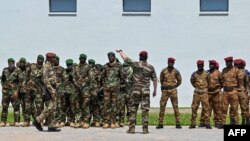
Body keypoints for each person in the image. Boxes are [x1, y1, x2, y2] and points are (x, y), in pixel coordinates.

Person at [116, 49, 157, 134]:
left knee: (133, 109)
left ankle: (131, 129)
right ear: (147, 57)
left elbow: (125, 59)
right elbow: (155, 79)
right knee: (145, 110)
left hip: (136, 91)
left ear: (140, 57)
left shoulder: (135, 65)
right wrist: (155, 90)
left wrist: (120, 51)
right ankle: (145, 129)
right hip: (146, 91)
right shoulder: (151, 67)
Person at [33, 52, 61, 132]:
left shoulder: (50, 65)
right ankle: (38, 120)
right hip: (48, 90)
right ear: (49, 58)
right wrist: (51, 90)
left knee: (54, 107)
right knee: (51, 107)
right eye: (53, 58)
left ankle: (51, 125)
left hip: (52, 88)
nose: (55, 59)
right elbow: (45, 80)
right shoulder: (46, 66)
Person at [156, 57, 182, 129]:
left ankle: (178, 123)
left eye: (172, 62)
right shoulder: (163, 71)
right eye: (169, 62)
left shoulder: (176, 71)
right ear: (167, 62)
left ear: (173, 63)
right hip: (165, 91)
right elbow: (161, 80)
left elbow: (179, 81)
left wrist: (174, 86)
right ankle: (160, 123)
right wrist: (164, 86)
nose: (170, 63)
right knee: (162, 106)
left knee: (175, 106)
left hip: (173, 90)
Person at [0, 58, 24, 127]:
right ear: (8, 63)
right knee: (4, 107)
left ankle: (16, 121)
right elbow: (2, 79)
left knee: (16, 107)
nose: (11, 65)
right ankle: (3, 121)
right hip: (6, 92)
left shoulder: (18, 70)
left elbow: (21, 81)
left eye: (12, 63)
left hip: (14, 92)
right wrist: (3, 86)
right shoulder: (5, 70)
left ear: (14, 63)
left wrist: (17, 90)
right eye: (10, 63)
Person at [102, 52, 122, 129]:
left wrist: (118, 85)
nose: (110, 58)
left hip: (115, 89)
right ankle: (106, 122)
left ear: (114, 57)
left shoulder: (119, 66)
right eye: (108, 56)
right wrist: (104, 85)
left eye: (111, 56)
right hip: (107, 89)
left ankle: (113, 122)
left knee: (114, 105)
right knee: (106, 105)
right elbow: (102, 77)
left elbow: (122, 76)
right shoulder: (105, 66)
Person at [189, 60, 212, 129]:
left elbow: (209, 82)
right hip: (197, 93)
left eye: (201, 65)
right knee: (194, 108)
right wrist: (197, 87)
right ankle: (193, 123)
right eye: (198, 65)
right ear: (197, 66)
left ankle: (207, 123)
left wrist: (205, 88)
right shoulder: (194, 74)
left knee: (206, 108)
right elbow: (192, 81)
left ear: (203, 65)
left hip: (204, 93)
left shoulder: (207, 73)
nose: (200, 66)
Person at [24, 55, 45, 127]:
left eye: (41, 60)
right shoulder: (32, 66)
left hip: (39, 90)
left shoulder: (44, 68)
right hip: (29, 89)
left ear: (43, 61)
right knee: (27, 106)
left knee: (39, 106)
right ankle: (26, 121)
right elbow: (26, 76)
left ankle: (39, 121)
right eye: (38, 59)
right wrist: (24, 85)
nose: (39, 61)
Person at [221, 56, 240, 125]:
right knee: (223, 108)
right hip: (225, 92)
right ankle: (223, 123)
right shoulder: (224, 70)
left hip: (233, 91)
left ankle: (236, 123)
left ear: (231, 62)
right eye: (226, 62)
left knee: (234, 108)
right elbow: (221, 80)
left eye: (228, 62)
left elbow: (240, 82)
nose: (226, 63)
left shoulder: (236, 70)